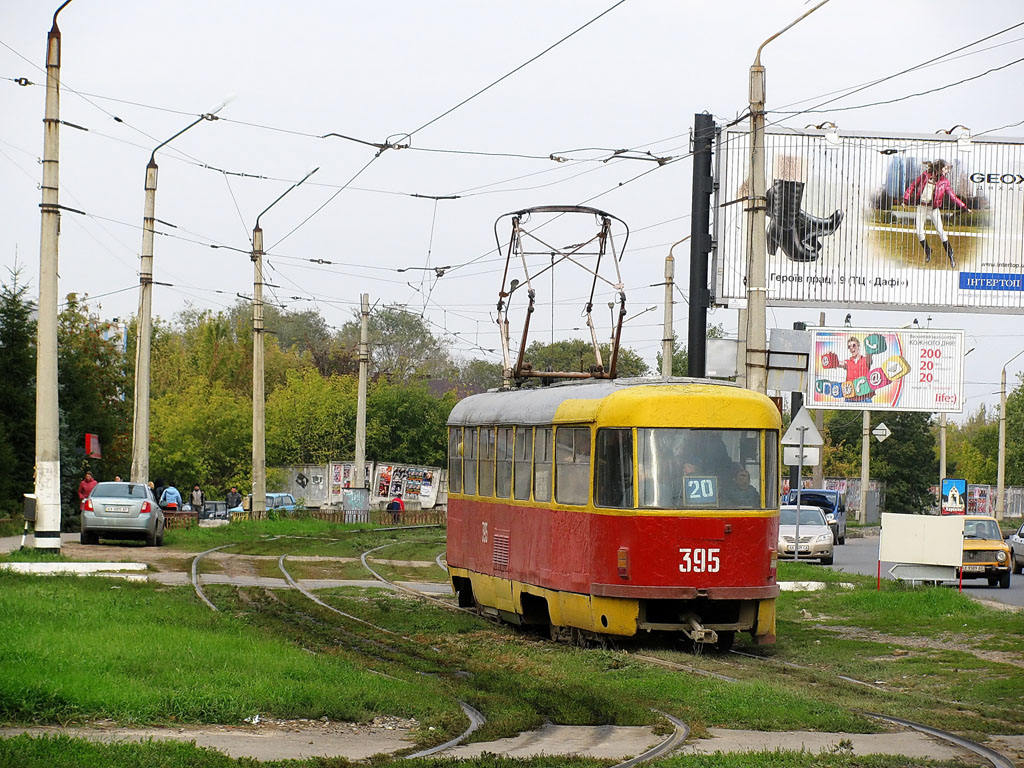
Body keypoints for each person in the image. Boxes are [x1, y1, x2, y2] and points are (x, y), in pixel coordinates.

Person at [903, 159, 970, 268]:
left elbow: (952, 196)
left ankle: (951, 255)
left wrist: (964, 206)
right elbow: (912, 186)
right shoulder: (925, 175)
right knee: (919, 231)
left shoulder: (945, 182)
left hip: (933, 209)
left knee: (940, 231)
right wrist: (905, 199)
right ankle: (928, 250)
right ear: (939, 168)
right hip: (921, 207)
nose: (947, 171)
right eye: (945, 169)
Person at [840, 337, 873, 402]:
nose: (851, 348)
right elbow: (839, 363)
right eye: (849, 346)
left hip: (864, 397)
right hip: (850, 396)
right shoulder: (848, 362)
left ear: (858, 346)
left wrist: (870, 343)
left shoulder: (865, 360)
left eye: (854, 345)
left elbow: (869, 355)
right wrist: (832, 359)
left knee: (866, 412)